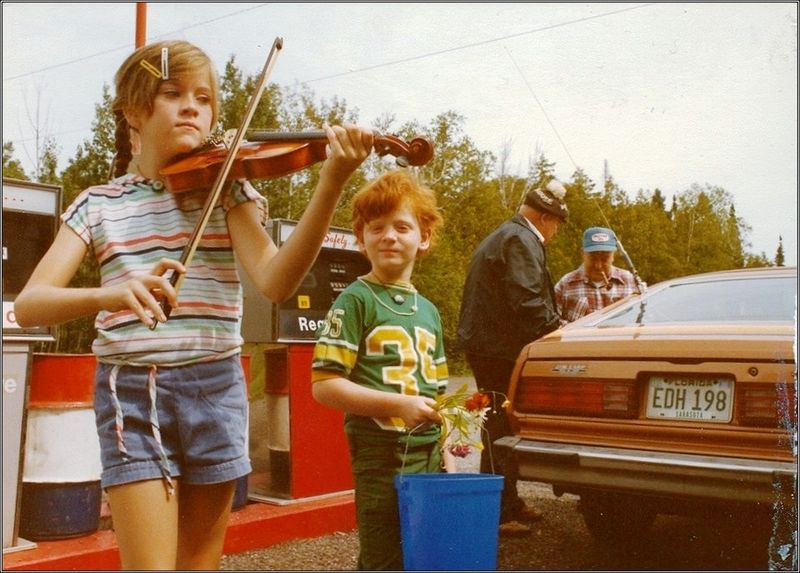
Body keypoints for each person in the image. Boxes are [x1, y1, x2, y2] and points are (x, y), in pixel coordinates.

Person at [13, 40, 374, 570]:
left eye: (203, 99)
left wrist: (331, 183)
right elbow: (29, 305)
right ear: (134, 111)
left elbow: (275, 281)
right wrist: (113, 293)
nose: (192, 107)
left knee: (197, 565)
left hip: (215, 384)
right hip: (133, 391)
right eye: (172, 93)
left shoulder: (228, 189)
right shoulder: (98, 204)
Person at [311, 170, 449, 570]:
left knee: (425, 551)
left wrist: (451, 438)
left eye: (402, 227)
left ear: (423, 238)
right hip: (379, 452)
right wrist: (398, 404)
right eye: (377, 227)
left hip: (427, 453)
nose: (389, 235)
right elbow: (325, 386)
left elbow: (438, 391)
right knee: (383, 554)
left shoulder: (429, 311)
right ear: (361, 239)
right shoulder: (355, 300)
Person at [457, 179, 568, 536]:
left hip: (490, 346)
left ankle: (509, 501)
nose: (555, 232)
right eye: (556, 224)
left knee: (501, 423)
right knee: (501, 426)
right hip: (499, 350)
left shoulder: (508, 234)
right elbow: (529, 303)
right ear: (544, 216)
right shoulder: (521, 239)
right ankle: (500, 512)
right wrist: (562, 333)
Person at [554, 226, 637, 322]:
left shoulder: (630, 282)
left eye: (605, 259)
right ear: (582, 253)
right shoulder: (565, 284)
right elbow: (554, 324)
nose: (598, 266)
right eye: (593, 259)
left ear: (613, 256)